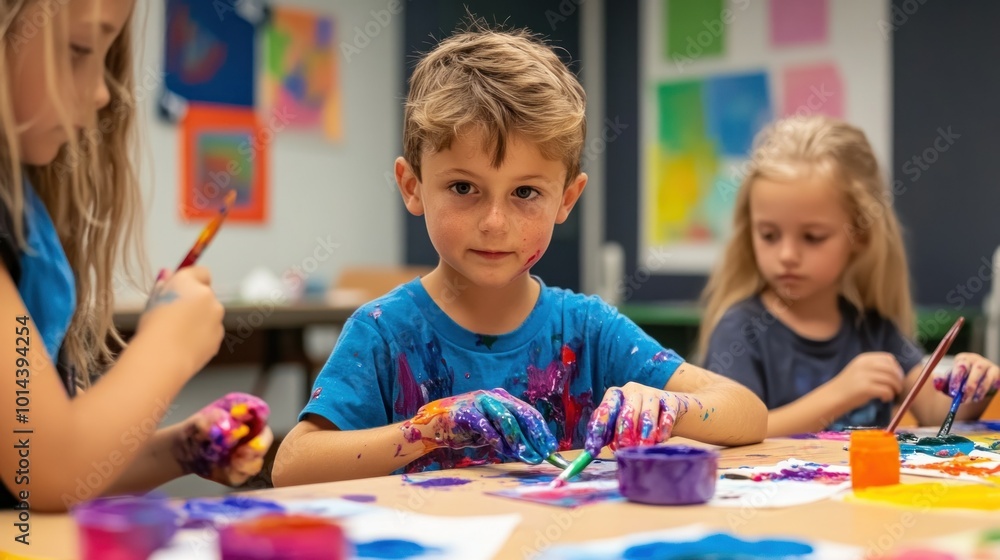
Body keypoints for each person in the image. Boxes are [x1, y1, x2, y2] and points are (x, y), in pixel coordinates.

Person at [272, 21, 767, 487]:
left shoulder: (588, 329)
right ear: (412, 185)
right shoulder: (383, 331)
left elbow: (746, 410)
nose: (494, 222)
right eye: (464, 187)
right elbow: (292, 465)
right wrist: (434, 427)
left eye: (525, 193)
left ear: (566, 200)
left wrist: (671, 407)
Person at [0, 0, 272, 512]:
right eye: (80, 48)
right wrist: (170, 344)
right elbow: (49, 470)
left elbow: (57, 467)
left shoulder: (25, 221)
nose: (103, 91)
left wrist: (178, 449)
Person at [699, 115, 999, 437]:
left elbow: (934, 413)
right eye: (769, 235)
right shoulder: (741, 330)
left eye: (813, 236)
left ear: (860, 236)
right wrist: (839, 394)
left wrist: (971, 389)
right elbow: (732, 431)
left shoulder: (873, 329)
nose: (786, 255)